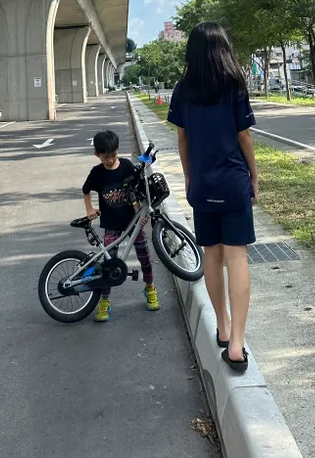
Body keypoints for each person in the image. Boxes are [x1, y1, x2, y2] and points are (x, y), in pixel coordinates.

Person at [168, 22, 258, 373]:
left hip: (202, 186)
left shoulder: (182, 89)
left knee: (211, 256)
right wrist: (253, 175)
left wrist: (190, 178)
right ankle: (236, 343)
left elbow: (183, 139)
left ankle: (221, 325)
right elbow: (245, 137)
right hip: (233, 183)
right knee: (237, 257)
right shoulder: (234, 86)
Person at [82, 129, 160, 321]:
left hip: (133, 223)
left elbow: (140, 191)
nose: (110, 160)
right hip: (111, 224)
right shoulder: (97, 173)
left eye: (113, 155)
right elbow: (85, 190)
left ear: (118, 151)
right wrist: (89, 209)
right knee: (109, 265)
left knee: (145, 258)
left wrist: (142, 213)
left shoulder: (126, 166)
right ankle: (104, 300)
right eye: (106, 157)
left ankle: (150, 287)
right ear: (97, 155)